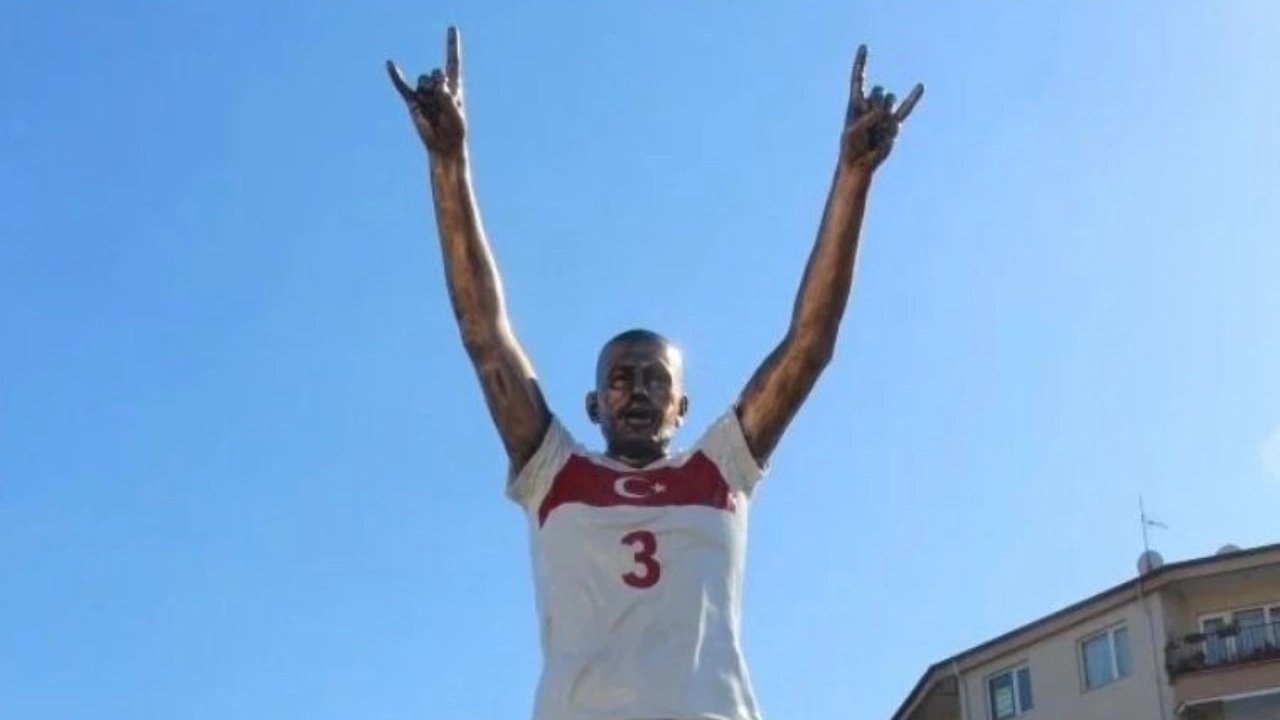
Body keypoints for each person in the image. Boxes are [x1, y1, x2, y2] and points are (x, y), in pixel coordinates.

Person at [387, 26, 922, 720]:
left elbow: (808, 346)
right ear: (592, 404)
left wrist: (853, 177)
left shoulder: (721, 469)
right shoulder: (553, 474)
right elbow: (485, 337)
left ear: (682, 407)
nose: (638, 391)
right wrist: (448, 163)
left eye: (657, 381)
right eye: (621, 379)